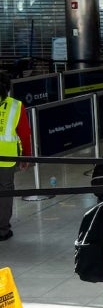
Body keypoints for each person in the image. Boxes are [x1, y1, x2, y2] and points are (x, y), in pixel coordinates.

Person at [0, 72, 30, 242]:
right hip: (6, 157)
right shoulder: (15, 106)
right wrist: (26, 157)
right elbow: (24, 135)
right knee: (5, 190)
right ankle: (2, 229)